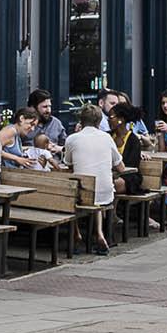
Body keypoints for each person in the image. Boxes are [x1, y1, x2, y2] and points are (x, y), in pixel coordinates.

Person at [60, 102, 120, 254]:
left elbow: (68, 164)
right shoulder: (107, 138)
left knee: (72, 194)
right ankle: (99, 234)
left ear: (81, 120)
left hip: (84, 193)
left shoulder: (72, 139)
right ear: (100, 121)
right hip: (105, 193)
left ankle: (77, 233)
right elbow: (121, 166)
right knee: (94, 194)